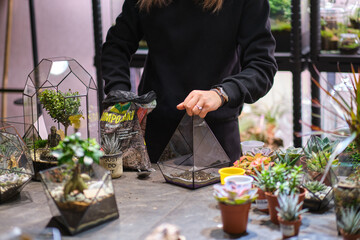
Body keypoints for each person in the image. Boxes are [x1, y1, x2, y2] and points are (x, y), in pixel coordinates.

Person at [101, 0, 278, 163]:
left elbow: (262, 66)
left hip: (217, 134)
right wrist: (120, 95)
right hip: (156, 133)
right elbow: (116, 46)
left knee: (215, 198)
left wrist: (222, 93)